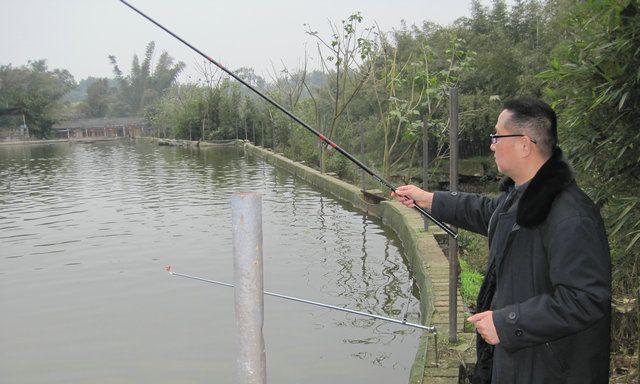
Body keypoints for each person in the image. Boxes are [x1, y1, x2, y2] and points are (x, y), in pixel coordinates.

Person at [392, 98, 611, 383]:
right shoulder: (521, 197)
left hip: (550, 370)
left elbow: (587, 299)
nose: (492, 144)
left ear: (524, 144)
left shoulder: (572, 216)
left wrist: (507, 323)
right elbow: (486, 212)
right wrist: (430, 200)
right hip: (517, 360)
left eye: (497, 135)